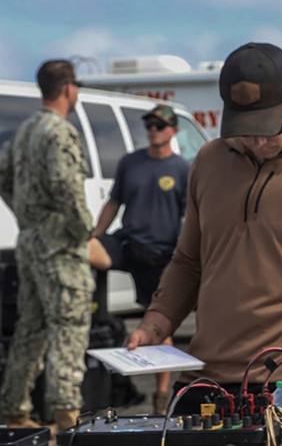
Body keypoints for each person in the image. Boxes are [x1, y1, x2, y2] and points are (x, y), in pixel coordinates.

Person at [123, 43, 282, 441]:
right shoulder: (209, 163)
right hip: (203, 385)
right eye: (244, 128)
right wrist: (155, 324)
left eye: (266, 127)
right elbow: (188, 262)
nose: (256, 141)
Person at [0, 60, 93, 431]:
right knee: (68, 326)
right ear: (68, 88)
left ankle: (15, 409)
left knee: (31, 328)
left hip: (31, 243)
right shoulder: (59, 132)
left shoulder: (23, 132)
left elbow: (3, 176)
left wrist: (27, 214)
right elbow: (66, 188)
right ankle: (65, 413)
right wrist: (84, 230)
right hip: (59, 247)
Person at [87, 104, 190, 415]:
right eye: (149, 125)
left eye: (160, 126)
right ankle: (93, 315)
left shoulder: (182, 168)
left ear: (173, 131)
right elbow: (113, 203)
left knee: (161, 327)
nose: (153, 130)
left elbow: (190, 216)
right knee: (82, 251)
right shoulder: (130, 162)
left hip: (161, 254)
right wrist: (95, 234)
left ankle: (161, 399)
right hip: (127, 242)